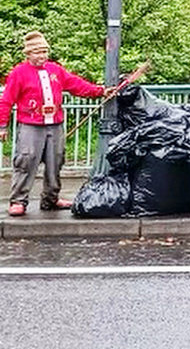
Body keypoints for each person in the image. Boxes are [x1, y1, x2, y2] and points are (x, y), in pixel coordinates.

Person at [0, 31, 113, 216]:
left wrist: (100, 91)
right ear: (28, 54)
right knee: (26, 161)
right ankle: (18, 200)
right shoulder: (18, 73)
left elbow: (76, 85)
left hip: (55, 124)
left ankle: (51, 198)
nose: (42, 56)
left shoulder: (56, 70)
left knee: (56, 161)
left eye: (44, 51)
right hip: (30, 124)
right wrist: (2, 125)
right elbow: (6, 100)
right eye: (37, 52)